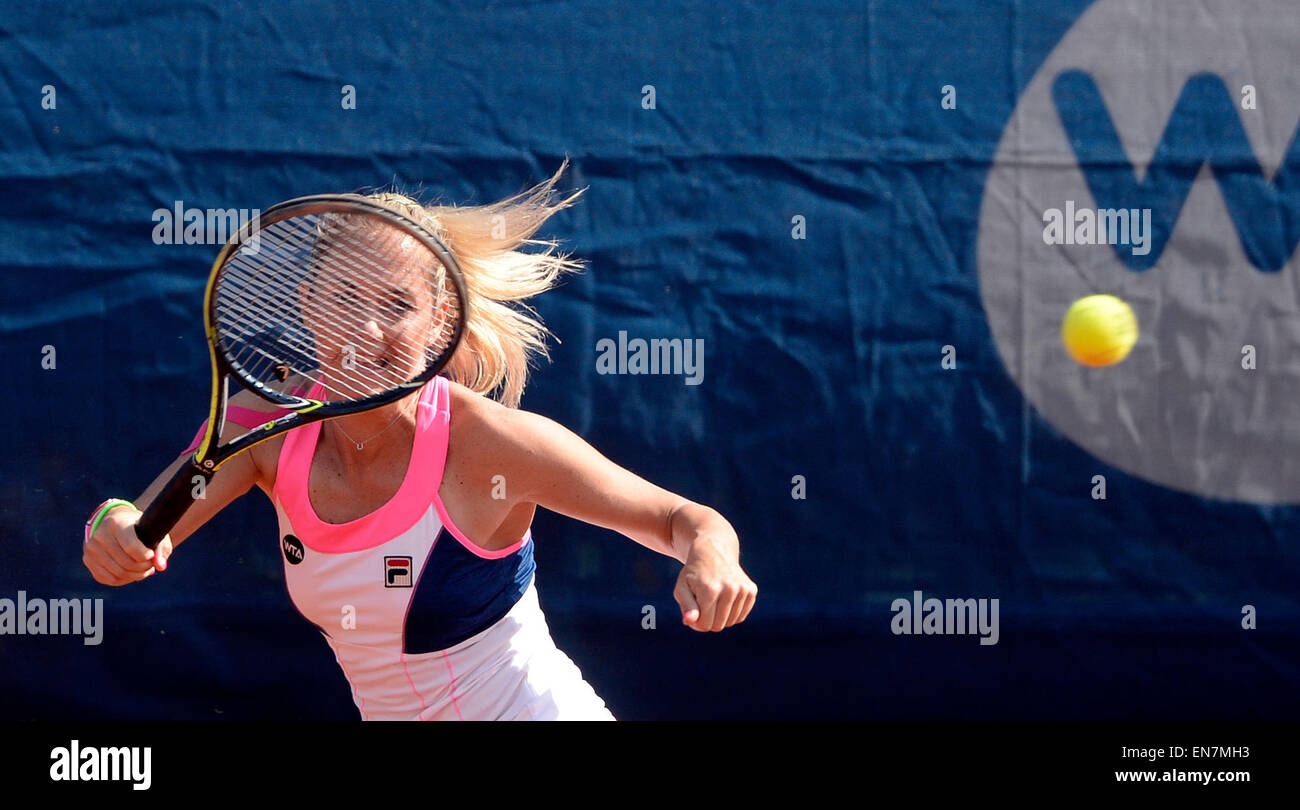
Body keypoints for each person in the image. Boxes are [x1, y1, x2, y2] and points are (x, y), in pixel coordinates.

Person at [82, 162, 758, 720]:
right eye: (346, 298)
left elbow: (683, 521)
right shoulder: (258, 427)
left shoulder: (492, 447)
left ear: (439, 324)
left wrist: (710, 556)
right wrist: (114, 528)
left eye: (397, 306)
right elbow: (143, 529)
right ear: (310, 305)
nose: (370, 331)